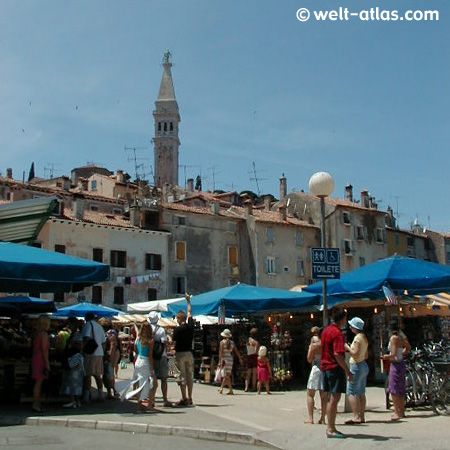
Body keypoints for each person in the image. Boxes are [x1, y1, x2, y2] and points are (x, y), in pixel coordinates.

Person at [321, 307, 353, 439]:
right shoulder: (337, 333)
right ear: (342, 319)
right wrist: (347, 371)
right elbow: (338, 354)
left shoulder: (325, 331)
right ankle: (331, 428)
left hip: (325, 367)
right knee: (335, 398)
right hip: (334, 368)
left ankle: (330, 427)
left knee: (330, 398)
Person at [118, 321, 158, 412]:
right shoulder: (150, 340)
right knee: (153, 384)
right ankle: (148, 405)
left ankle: (140, 405)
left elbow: (135, 349)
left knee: (140, 383)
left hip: (138, 360)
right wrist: (151, 369)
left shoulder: (138, 338)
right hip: (145, 361)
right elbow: (150, 355)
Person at [383, 319, 411, 421]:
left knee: (393, 389)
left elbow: (393, 354)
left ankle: (396, 412)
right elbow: (408, 347)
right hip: (401, 363)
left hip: (395, 364)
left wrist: (386, 356)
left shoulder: (393, 338)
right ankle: (401, 411)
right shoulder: (401, 337)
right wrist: (402, 353)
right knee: (401, 388)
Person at [344, 317, 369, 424]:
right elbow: (366, 355)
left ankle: (356, 415)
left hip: (357, 365)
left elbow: (355, 353)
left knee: (351, 391)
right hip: (363, 364)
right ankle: (361, 416)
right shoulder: (364, 338)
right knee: (361, 392)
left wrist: (348, 347)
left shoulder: (357, 339)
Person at [172, 293, 195, 406]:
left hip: (180, 354)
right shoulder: (191, 326)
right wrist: (188, 301)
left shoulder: (177, 330)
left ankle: (184, 398)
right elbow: (190, 312)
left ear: (180, 318)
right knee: (190, 376)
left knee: (181, 376)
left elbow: (173, 343)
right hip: (189, 353)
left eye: (177, 318)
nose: (176, 320)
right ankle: (190, 397)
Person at [147, 311, 172, 406]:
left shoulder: (147, 329)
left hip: (150, 356)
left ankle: (151, 400)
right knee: (164, 378)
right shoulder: (161, 329)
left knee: (151, 378)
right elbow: (164, 342)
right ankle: (165, 399)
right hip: (161, 356)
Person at [82, 313, 106, 403]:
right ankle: (100, 394)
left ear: (87, 318)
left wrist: (84, 349)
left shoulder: (88, 324)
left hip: (90, 353)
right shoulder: (99, 326)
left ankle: (86, 396)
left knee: (88, 374)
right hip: (99, 353)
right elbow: (104, 342)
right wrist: (101, 352)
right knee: (97, 375)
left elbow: (86, 338)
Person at [305, 326, 326, 424]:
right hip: (326, 368)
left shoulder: (314, 345)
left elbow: (309, 359)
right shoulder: (327, 344)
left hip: (316, 368)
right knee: (324, 395)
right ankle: (323, 418)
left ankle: (310, 418)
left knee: (310, 393)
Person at [31, 315, 51, 412]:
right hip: (40, 360)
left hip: (36, 358)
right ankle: (36, 404)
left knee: (37, 382)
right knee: (39, 383)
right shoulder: (44, 335)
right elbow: (44, 351)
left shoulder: (36, 334)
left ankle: (36, 403)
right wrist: (47, 364)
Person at [61, 330, 84, 408]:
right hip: (76, 359)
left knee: (72, 380)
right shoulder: (76, 335)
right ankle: (77, 401)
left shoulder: (76, 336)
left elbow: (80, 345)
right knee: (76, 382)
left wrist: (72, 343)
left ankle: (72, 400)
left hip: (74, 359)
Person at [218, 328, 243, 395]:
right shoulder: (232, 343)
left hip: (224, 360)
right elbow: (236, 351)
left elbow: (221, 353)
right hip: (230, 359)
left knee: (226, 376)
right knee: (227, 375)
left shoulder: (222, 342)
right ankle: (222, 388)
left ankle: (228, 389)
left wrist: (220, 361)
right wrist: (240, 358)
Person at [245, 328, 259, 392]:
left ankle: (246, 387)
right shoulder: (256, 342)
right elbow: (256, 352)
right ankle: (253, 387)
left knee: (248, 373)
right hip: (254, 357)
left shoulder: (248, 340)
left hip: (249, 356)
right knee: (254, 373)